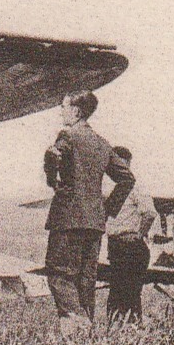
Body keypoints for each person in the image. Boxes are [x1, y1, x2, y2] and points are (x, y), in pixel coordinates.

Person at [42, 91, 134, 331]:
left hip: (67, 217)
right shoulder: (103, 143)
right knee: (86, 280)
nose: (61, 111)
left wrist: (53, 181)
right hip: (94, 222)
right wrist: (107, 210)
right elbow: (127, 179)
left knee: (60, 274)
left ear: (76, 111)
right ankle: (84, 334)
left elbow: (52, 155)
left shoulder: (68, 136)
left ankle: (79, 326)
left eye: (63, 107)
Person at [104, 147, 154, 322]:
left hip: (131, 247)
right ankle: (118, 335)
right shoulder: (113, 190)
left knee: (129, 295)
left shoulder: (136, 188)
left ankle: (130, 334)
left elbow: (149, 213)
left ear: (126, 164)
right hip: (116, 246)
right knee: (117, 294)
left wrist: (139, 235)